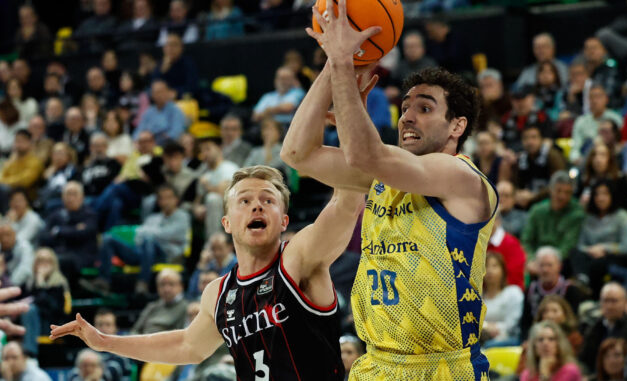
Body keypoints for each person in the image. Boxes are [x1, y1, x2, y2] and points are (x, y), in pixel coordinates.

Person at [287, 3, 497, 378]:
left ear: (457, 126)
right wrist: (333, 70)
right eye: (406, 106)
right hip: (376, 366)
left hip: (441, 369)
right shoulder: (383, 176)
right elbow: (297, 153)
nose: (408, 116)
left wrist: (340, 61)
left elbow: (366, 154)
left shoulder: (460, 177)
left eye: (425, 108)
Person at [51, 165, 365, 380]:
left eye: (268, 200)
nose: (256, 206)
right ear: (226, 222)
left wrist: (348, 113)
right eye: (245, 200)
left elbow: (348, 202)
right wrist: (106, 342)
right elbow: (188, 346)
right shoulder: (219, 293)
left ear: (283, 222)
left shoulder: (299, 259)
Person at [572, 179, 627, 294]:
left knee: (598, 264)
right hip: (590, 255)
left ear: (612, 195)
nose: (600, 198)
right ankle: (582, 282)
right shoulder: (588, 218)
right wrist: (591, 250)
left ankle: (590, 291)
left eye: (605, 193)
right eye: (597, 194)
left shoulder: (622, 216)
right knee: (574, 254)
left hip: (613, 257)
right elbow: (580, 244)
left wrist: (604, 248)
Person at [521, 171, 586, 262]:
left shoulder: (576, 214)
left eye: (567, 192)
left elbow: (568, 246)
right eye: (559, 191)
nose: (562, 196)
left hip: (561, 262)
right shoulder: (537, 210)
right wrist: (531, 259)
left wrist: (549, 263)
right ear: (550, 190)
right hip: (535, 259)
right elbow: (526, 240)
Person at [521, 247, 585, 337]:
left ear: (559, 266)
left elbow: (574, 322)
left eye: (549, 265)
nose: (545, 270)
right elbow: (525, 323)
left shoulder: (571, 290)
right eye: (541, 265)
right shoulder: (530, 290)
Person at [579, 283, 627, 375]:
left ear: (625, 302)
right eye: (605, 301)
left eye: (614, 301)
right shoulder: (593, 327)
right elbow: (584, 359)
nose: (609, 306)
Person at [570, 85, 623, 165]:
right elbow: (575, 148)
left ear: (606, 99)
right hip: (587, 161)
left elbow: (620, 144)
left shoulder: (616, 119)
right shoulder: (580, 121)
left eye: (598, 97)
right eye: (591, 97)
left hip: (611, 160)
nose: (594, 101)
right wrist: (576, 158)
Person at [482, 252, 523, 347]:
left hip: (508, 340)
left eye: (494, 266)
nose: (489, 270)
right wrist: (487, 327)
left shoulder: (513, 293)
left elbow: (511, 324)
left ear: (503, 270)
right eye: (486, 266)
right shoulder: (477, 297)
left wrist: (484, 326)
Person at [0, 130, 43, 214]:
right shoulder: (12, 160)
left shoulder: (35, 162)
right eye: (16, 141)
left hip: (27, 196)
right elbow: (2, 175)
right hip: (7, 191)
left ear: (30, 143)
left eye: (22, 141)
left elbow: (24, 181)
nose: (18, 144)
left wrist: (5, 182)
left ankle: (8, 217)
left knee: (3, 189)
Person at [134, 80, 187, 145]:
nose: (159, 95)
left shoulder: (175, 110)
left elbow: (177, 132)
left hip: (167, 145)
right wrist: (137, 140)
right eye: (155, 92)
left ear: (168, 92)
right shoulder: (148, 112)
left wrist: (159, 140)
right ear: (152, 95)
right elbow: (138, 131)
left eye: (161, 92)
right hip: (147, 143)